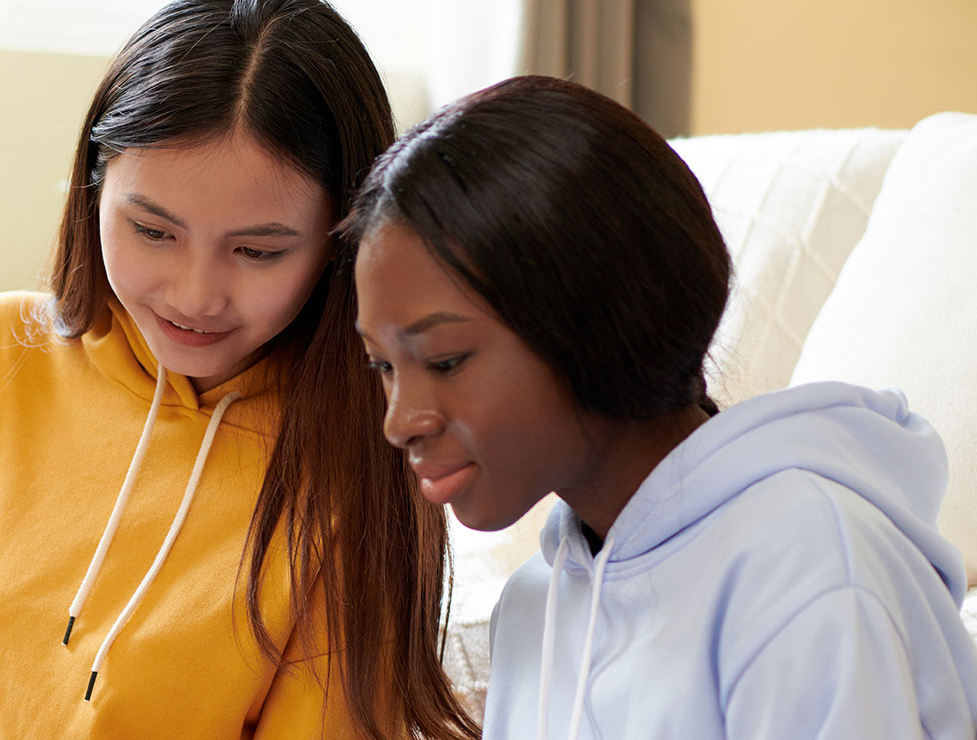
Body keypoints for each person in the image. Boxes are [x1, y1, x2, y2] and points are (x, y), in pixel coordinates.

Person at [0, 1, 478, 738]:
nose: (195, 295)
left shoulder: (366, 454)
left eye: (258, 251)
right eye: (152, 231)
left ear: (341, 243)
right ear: (95, 187)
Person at [347, 74, 977, 739]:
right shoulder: (536, 604)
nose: (401, 419)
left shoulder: (808, 570)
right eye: (383, 366)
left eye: (445, 361)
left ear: (601, 322)